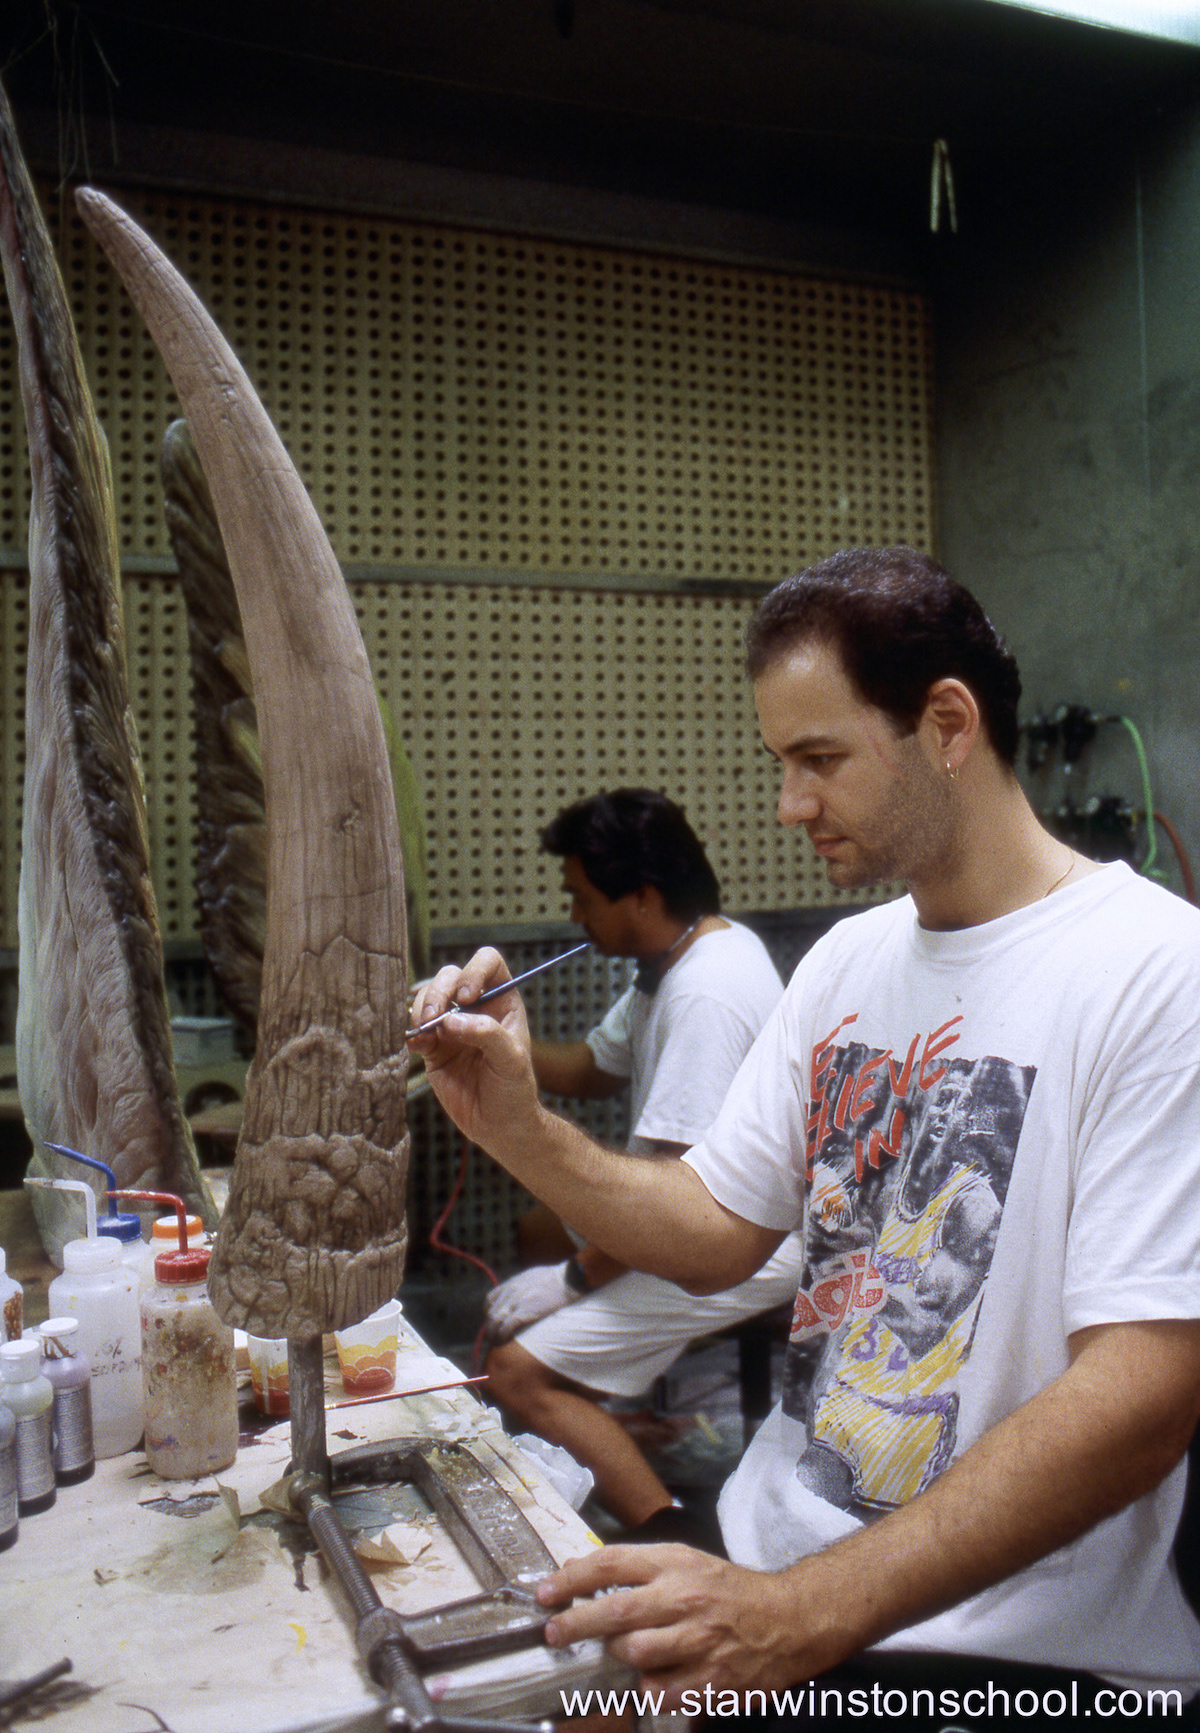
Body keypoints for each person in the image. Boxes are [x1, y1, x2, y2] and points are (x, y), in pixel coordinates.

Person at [411, 547, 1200, 1723]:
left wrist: (806, 1610)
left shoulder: (1154, 970)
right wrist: (514, 1121)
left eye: (819, 759)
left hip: (1007, 1651)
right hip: (779, 1560)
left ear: (946, 723)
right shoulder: (846, 960)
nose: (788, 805)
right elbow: (716, 1229)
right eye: (782, 762)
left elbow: (1147, 1386)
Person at [483, 787, 802, 1533]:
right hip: (693, 1216)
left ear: (642, 895)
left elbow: (668, 1212)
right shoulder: (676, 956)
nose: (575, 916)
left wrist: (569, 1282)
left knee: (515, 1373)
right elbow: (594, 1066)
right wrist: (493, 1037)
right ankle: (607, 1420)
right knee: (538, 1228)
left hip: (750, 1242)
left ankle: (670, 1533)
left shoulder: (706, 993)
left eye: (583, 897)